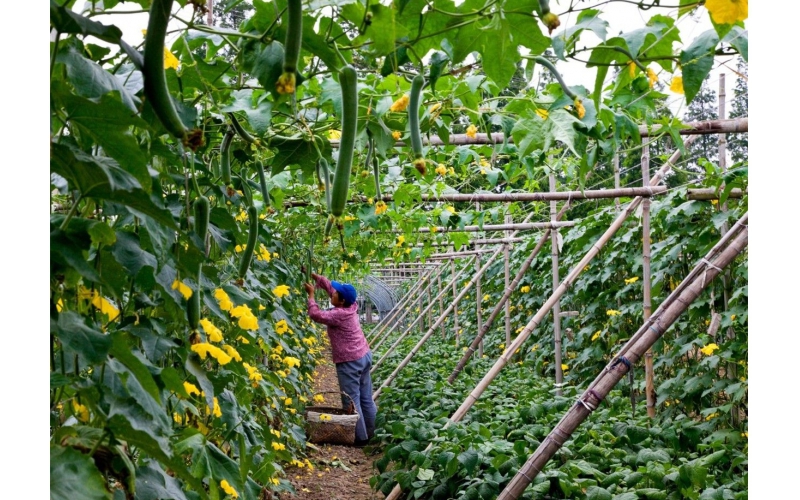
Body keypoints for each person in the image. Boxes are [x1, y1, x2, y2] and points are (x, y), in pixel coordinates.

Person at [304, 271, 377, 446]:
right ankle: (374, 432)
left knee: (351, 399)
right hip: (363, 355)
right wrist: (315, 276)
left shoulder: (338, 315)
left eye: (336, 294)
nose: (332, 293)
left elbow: (316, 315)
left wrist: (311, 296)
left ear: (341, 300)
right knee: (366, 398)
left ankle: (360, 439)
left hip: (350, 361)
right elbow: (331, 288)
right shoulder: (350, 306)